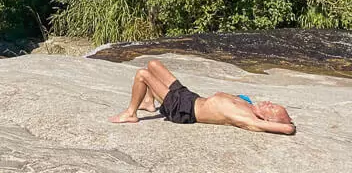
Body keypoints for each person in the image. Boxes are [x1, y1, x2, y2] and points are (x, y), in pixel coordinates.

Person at [109, 59, 296, 135]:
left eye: (271, 108)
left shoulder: (248, 119)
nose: (269, 103)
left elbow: (287, 129)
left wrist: (288, 125)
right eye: (273, 103)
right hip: (190, 97)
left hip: (183, 109)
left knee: (142, 74)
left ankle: (131, 113)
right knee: (153, 64)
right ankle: (149, 102)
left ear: (266, 118)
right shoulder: (247, 104)